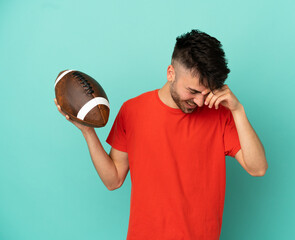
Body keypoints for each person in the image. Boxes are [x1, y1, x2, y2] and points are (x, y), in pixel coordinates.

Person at [55, 29, 268, 240]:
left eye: (206, 93)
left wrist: (238, 110)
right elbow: (113, 180)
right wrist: (88, 132)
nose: (201, 102)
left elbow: (257, 168)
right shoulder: (132, 111)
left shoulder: (220, 115)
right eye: (193, 92)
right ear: (170, 73)